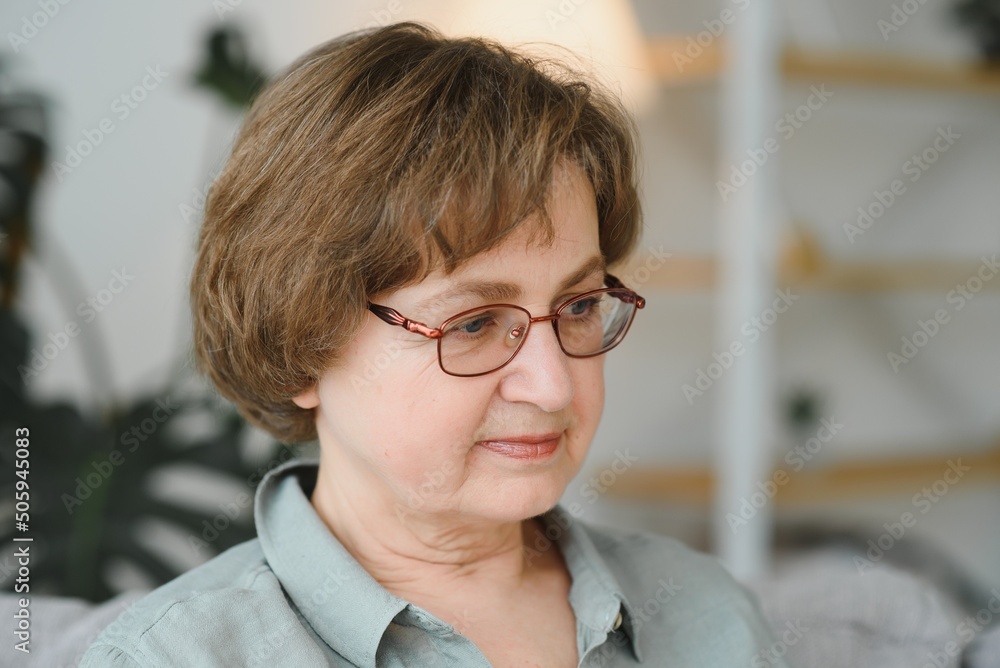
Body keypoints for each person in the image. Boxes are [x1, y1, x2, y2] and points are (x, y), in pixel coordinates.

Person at [81, 21, 785, 667]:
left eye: (576, 306)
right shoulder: (175, 658)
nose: (552, 385)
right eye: (474, 323)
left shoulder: (704, 615)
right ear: (302, 345)